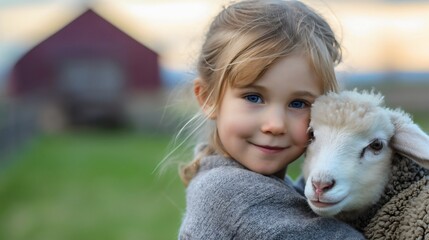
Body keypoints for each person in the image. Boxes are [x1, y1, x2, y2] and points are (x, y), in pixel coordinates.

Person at [174, 0, 365, 239]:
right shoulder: (229, 194)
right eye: (253, 97)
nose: (275, 125)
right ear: (208, 99)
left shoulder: (272, 188)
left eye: (298, 104)